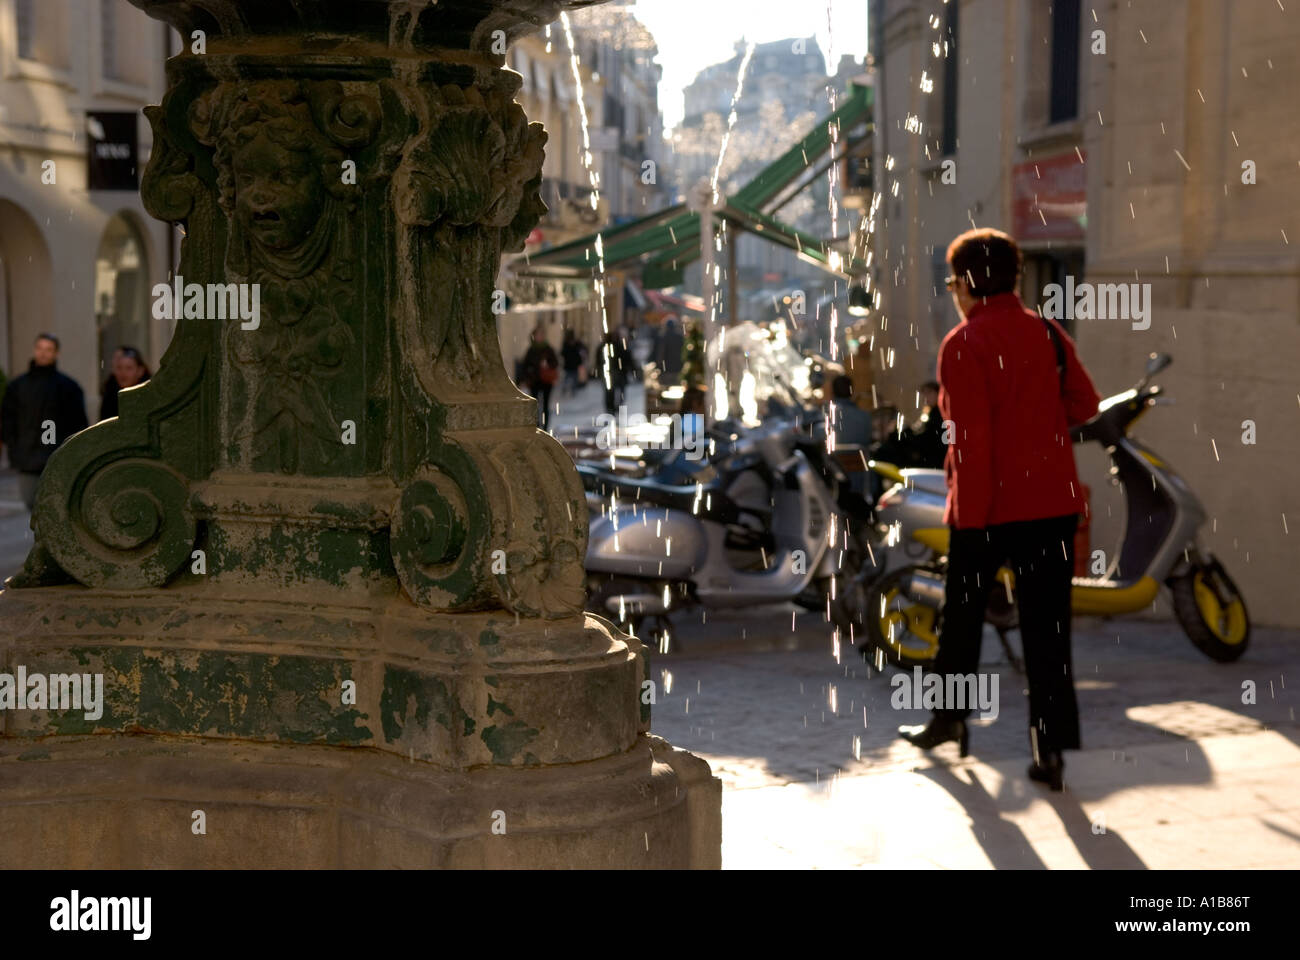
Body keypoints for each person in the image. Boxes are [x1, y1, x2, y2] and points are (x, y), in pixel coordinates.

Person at [897, 228, 1101, 792]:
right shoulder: (1047, 333)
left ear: (964, 283)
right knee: (1048, 634)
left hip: (989, 510)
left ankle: (948, 721)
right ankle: (1049, 750)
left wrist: (972, 519)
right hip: (1051, 507)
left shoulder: (964, 344)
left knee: (961, 626)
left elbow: (972, 441)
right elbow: (1083, 404)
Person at [0, 333, 90, 511]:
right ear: (34, 350)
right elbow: (8, 419)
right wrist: (14, 446)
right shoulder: (17, 386)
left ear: (56, 353)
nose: (43, 353)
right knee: (31, 503)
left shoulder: (68, 387)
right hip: (26, 457)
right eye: (40, 348)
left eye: (48, 350)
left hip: (56, 457)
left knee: (55, 507)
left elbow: (78, 424)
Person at [828, 375, 873, 497]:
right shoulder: (865, 417)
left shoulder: (825, 415)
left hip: (832, 482)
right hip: (861, 483)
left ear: (832, 392)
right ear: (851, 392)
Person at [520, 325, 559, 430]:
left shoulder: (548, 349)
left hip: (546, 381)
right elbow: (525, 365)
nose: (540, 337)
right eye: (538, 335)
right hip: (534, 381)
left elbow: (555, 363)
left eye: (542, 335)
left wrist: (548, 365)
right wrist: (526, 378)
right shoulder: (531, 350)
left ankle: (545, 427)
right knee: (535, 405)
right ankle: (537, 425)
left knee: (546, 404)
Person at [99, 346, 152, 421]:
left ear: (140, 371)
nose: (123, 373)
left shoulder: (149, 395)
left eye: (129, 368)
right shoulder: (109, 395)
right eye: (119, 367)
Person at [595, 326, 635, 416]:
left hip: (610, 373)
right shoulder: (619, 346)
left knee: (609, 392)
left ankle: (611, 408)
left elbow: (598, 361)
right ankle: (614, 407)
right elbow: (627, 358)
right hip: (617, 373)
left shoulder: (603, 347)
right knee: (617, 392)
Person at [654, 316, 685, 387]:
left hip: (666, 369)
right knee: (676, 388)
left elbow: (660, 353)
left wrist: (659, 365)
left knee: (666, 388)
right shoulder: (680, 337)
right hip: (678, 367)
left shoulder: (663, 337)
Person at [560, 329, 587, 397]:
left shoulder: (572, 344)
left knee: (571, 379)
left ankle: (571, 391)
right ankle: (568, 390)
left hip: (572, 365)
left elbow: (581, 352)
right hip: (570, 365)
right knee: (569, 379)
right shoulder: (569, 344)